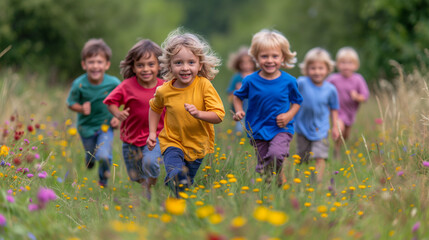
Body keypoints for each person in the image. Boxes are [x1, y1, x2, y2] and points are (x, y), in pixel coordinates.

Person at [147, 28, 225, 196]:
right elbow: (154, 108)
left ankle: (177, 207)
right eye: (178, 63)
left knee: (184, 186)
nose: (185, 68)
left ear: (200, 64)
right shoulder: (164, 91)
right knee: (176, 172)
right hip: (172, 142)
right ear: (169, 65)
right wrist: (152, 133)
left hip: (197, 144)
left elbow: (218, 115)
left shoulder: (204, 85)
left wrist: (199, 114)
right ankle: (173, 176)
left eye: (191, 62)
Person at [233, 29, 303, 186]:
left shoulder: (289, 81)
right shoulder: (250, 80)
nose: (269, 60)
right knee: (268, 170)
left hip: (282, 128)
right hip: (257, 129)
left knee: (276, 155)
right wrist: (239, 110)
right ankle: (273, 188)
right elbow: (238, 96)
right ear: (256, 58)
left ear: (282, 57)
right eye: (264, 56)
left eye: (275, 56)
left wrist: (289, 115)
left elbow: (297, 101)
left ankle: (265, 174)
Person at [103, 40, 165, 199]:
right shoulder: (127, 85)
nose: (146, 69)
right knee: (135, 176)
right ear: (133, 66)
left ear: (159, 66)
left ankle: (149, 190)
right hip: (130, 139)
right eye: (140, 65)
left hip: (156, 136)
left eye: (151, 64)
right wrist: (117, 113)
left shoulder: (165, 87)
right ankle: (145, 184)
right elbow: (111, 102)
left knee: (150, 163)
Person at [66, 39, 121, 187]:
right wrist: (81, 109)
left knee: (103, 155)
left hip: (106, 126)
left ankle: (103, 181)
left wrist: (117, 116)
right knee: (91, 155)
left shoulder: (113, 83)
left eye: (99, 62)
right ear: (84, 64)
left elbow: (122, 100)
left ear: (107, 64)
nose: (95, 66)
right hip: (86, 127)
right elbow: (70, 103)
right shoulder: (79, 84)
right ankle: (88, 160)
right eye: (91, 62)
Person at [294, 47, 340, 183]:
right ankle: (299, 181)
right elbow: (291, 98)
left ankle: (317, 183)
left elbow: (334, 108)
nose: (317, 72)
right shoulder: (301, 83)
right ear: (306, 69)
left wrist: (335, 127)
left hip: (322, 128)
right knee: (302, 158)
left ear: (327, 69)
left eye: (321, 68)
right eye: (313, 68)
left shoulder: (330, 89)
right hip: (302, 127)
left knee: (320, 156)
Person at [327, 47, 369, 159]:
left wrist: (357, 97)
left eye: (350, 63)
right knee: (339, 129)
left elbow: (365, 96)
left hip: (350, 113)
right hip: (337, 111)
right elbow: (323, 88)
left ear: (356, 65)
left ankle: (338, 147)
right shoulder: (333, 79)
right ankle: (336, 151)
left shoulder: (358, 79)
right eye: (343, 63)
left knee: (346, 135)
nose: (346, 66)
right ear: (337, 64)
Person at [226, 46, 257, 133]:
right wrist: (237, 90)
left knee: (253, 127)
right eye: (243, 63)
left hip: (255, 108)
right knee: (240, 128)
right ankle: (240, 137)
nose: (246, 65)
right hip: (240, 108)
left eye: (249, 62)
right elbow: (230, 94)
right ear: (238, 64)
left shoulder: (257, 76)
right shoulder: (237, 77)